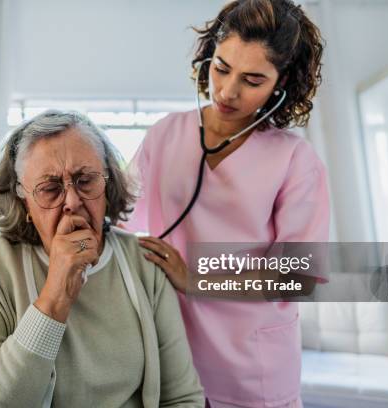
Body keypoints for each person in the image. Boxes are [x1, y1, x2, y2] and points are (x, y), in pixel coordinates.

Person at [125, 1, 329, 407]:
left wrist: (195, 279)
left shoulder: (295, 160)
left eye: (253, 80)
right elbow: (119, 218)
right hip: (174, 358)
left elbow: (297, 278)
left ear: (281, 81)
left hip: (253, 368)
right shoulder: (166, 135)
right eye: (221, 68)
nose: (227, 91)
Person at [0, 110, 204, 407]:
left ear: (108, 185)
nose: (72, 201)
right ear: (23, 200)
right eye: (50, 188)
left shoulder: (145, 262)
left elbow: (183, 398)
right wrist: (54, 298)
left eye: (85, 181)